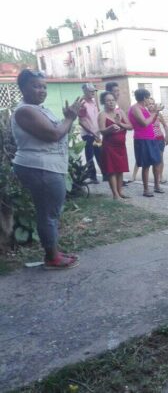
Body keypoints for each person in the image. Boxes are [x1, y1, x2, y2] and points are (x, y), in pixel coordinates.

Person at [11, 70, 80, 269]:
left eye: (44, 86)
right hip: (39, 168)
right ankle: (52, 258)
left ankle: (53, 252)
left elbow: (57, 130)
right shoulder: (25, 111)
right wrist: (69, 119)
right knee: (48, 213)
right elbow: (53, 134)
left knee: (50, 212)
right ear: (22, 88)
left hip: (46, 167)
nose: (42, 90)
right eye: (36, 86)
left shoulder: (37, 109)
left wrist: (67, 119)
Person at [127, 88, 163, 197]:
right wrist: (155, 112)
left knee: (157, 162)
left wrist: (156, 112)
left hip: (151, 138)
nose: (149, 100)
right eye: (148, 98)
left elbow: (151, 121)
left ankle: (157, 185)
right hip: (142, 139)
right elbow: (144, 123)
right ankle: (146, 189)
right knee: (146, 164)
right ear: (144, 98)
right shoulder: (135, 108)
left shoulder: (144, 108)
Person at [98, 91, 132, 199]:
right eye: (108, 101)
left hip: (121, 146)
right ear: (103, 102)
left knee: (120, 169)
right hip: (109, 146)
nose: (111, 103)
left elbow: (130, 126)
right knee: (111, 170)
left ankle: (120, 191)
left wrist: (119, 123)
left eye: (112, 100)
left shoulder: (120, 112)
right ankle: (115, 194)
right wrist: (110, 128)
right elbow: (102, 131)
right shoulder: (102, 115)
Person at [78, 83, 103, 184]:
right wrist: (92, 132)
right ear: (85, 91)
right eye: (91, 91)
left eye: (94, 91)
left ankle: (106, 175)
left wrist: (99, 131)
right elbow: (81, 121)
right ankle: (92, 177)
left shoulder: (93, 102)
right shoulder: (82, 103)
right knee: (90, 156)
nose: (93, 93)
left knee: (100, 154)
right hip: (88, 135)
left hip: (97, 134)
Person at [149, 98, 168, 183]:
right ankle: (156, 176)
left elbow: (165, 125)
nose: (151, 105)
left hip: (160, 139)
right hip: (150, 140)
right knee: (153, 159)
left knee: (160, 159)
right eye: (149, 104)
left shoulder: (159, 115)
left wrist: (166, 136)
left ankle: (161, 176)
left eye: (153, 103)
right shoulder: (146, 114)